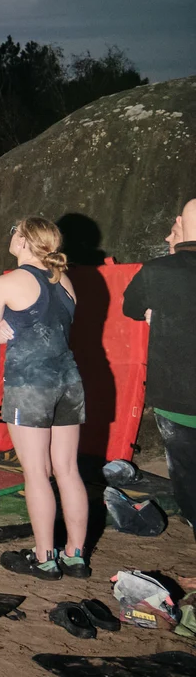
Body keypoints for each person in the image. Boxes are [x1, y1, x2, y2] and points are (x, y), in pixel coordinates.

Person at [0, 216, 92, 580]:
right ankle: (76, 555)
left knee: (35, 472)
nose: (11, 235)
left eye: (15, 230)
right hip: (69, 382)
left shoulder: (6, 283)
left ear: (25, 241)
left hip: (30, 385)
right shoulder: (66, 283)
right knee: (68, 469)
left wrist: (3, 331)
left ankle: (45, 558)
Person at [122, 198, 196, 542]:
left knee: (189, 482)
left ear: (180, 225)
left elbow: (132, 307)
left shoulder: (157, 271)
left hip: (176, 398)